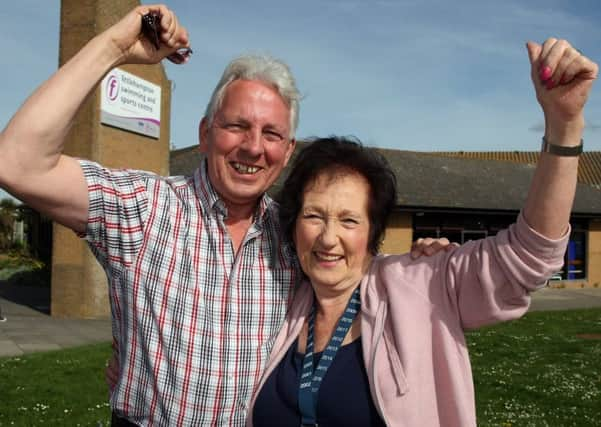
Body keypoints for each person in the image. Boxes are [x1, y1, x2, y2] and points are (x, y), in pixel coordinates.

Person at [0, 4, 448, 426]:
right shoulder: (144, 208)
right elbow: (16, 162)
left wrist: (422, 261)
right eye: (237, 126)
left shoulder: (294, 234)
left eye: (271, 133)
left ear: (287, 151)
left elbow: (353, 269)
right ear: (205, 132)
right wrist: (115, 49)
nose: (253, 146)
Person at [246, 40, 598, 426]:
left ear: (373, 231)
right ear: (294, 223)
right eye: (314, 215)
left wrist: (563, 127)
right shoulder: (283, 304)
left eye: (349, 221)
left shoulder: (422, 283)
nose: (329, 238)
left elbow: (529, 255)